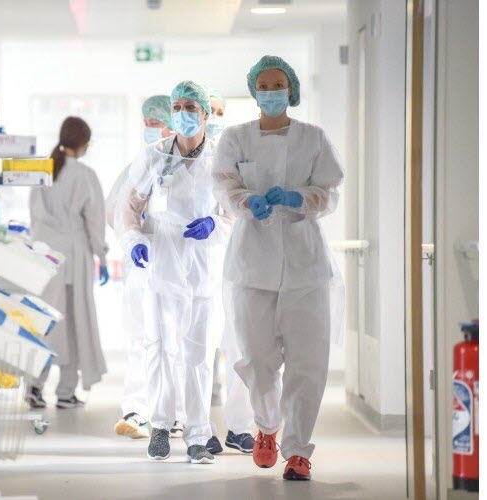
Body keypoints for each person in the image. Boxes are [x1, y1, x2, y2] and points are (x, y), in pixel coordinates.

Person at [213, 55, 344, 481]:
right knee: (255, 358)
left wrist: (300, 199)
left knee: (308, 361)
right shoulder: (235, 138)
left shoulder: (313, 138)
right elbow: (224, 186)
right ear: (254, 91)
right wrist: (242, 201)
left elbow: (328, 192)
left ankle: (299, 450)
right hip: (252, 264)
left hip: (305, 267)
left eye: (278, 84)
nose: (271, 92)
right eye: (264, 85)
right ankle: (266, 427)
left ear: (290, 89)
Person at [119, 81, 229, 465]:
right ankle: (161, 427)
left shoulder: (221, 160)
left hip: (202, 263)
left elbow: (233, 212)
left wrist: (215, 224)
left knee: (199, 352)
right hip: (161, 259)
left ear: (203, 113)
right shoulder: (152, 156)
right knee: (159, 347)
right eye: (177, 106)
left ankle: (198, 433)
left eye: (190, 107)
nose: (183, 113)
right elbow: (130, 209)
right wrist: (133, 239)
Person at [106, 96, 187, 439]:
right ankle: (136, 410)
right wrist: (133, 237)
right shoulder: (136, 166)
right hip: (142, 262)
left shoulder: (187, 166)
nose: (152, 129)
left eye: (158, 123)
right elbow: (116, 210)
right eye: (148, 123)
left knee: (177, 340)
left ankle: (176, 413)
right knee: (140, 336)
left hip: (179, 264)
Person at [27, 116, 109, 410]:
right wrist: (102, 253)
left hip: (43, 257)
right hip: (74, 258)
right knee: (73, 323)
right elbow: (95, 221)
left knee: (42, 321)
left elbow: (34, 216)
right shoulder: (85, 176)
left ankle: (34, 385)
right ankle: (65, 392)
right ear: (84, 144)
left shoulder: (43, 171)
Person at [201, 89, 258, 457]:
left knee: (240, 348)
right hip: (200, 268)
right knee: (199, 350)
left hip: (237, 263)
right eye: (211, 110)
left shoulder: (240, 153)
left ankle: (239, 428)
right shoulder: (182, 157)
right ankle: (199, 427)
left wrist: (217, 223)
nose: (215, 116)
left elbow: (244, 207)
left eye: (220, 110)